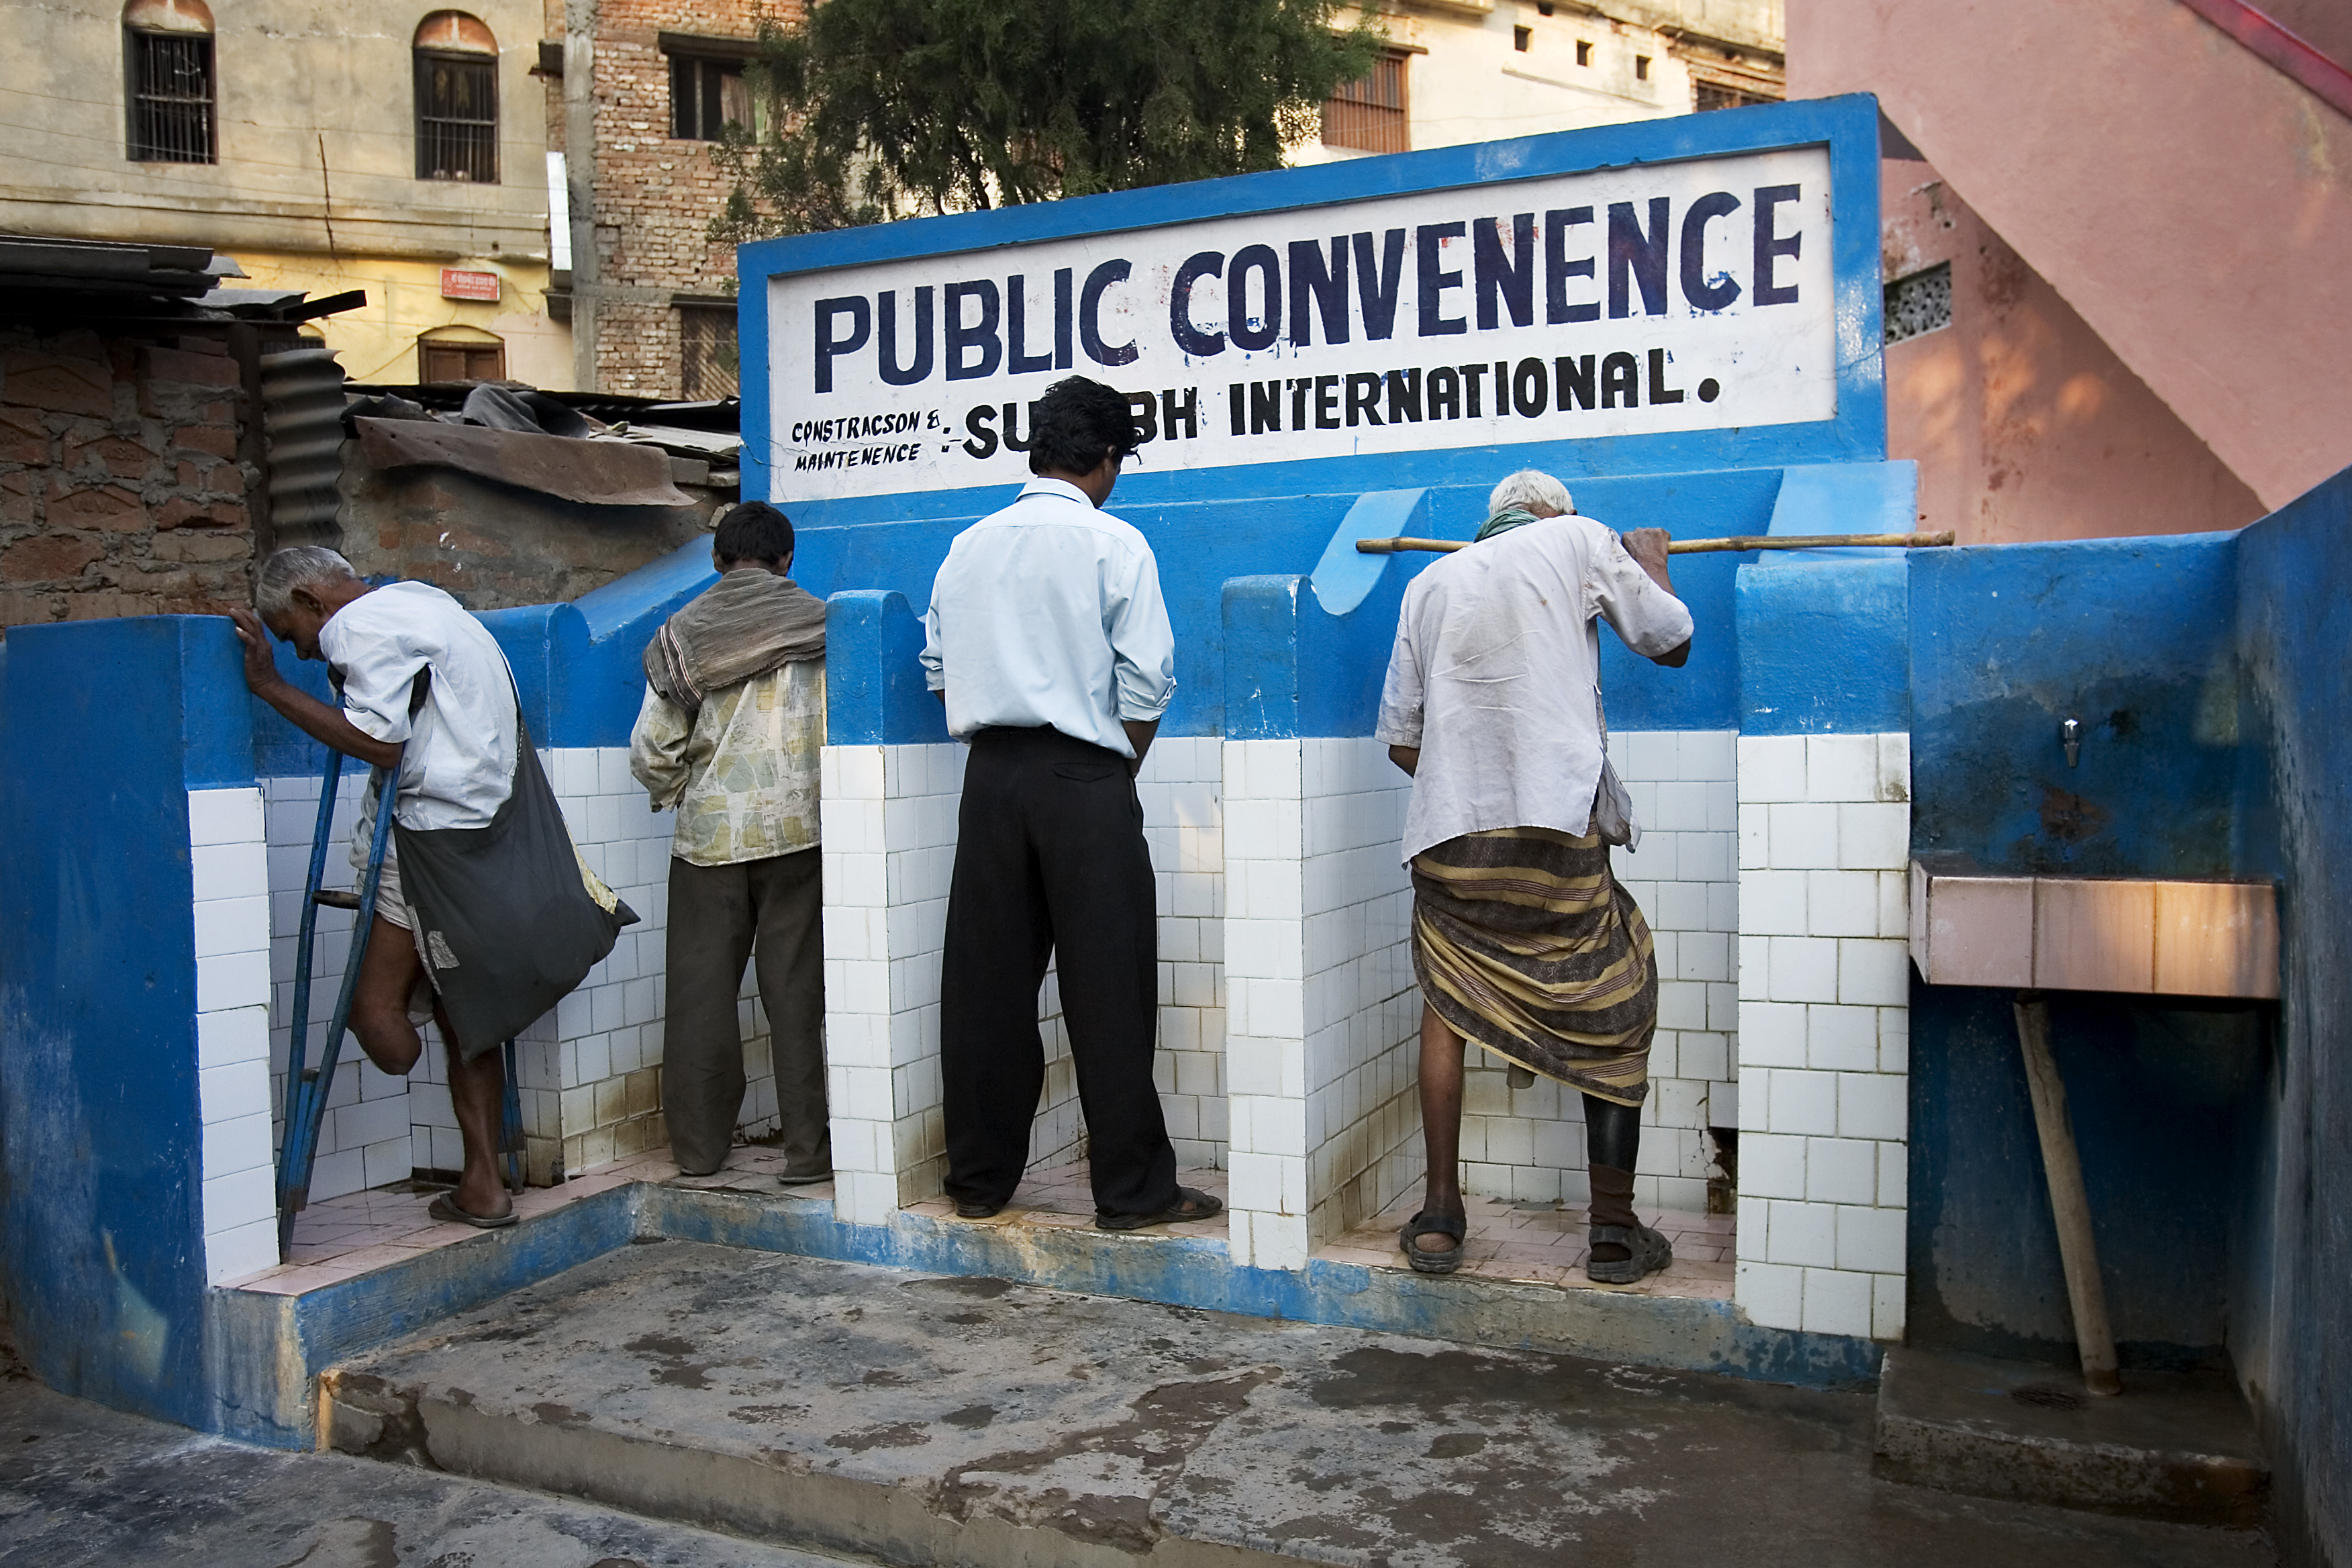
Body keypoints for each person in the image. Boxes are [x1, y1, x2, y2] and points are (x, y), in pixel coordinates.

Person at [1374, 469, 1695, 1281]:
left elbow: (1402, 742)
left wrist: (1474, 787)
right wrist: (1651, 561)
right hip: (1554, 824)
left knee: (1447, 996)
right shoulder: (1580, 538)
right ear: (1556, 512)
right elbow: (1671, 642)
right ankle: (1614, 1231)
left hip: (1447, 833)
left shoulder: (1428, 580)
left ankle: (1440, 1216)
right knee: (1615, 993)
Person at [920, 375, 1220, 1232]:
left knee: (985, 987)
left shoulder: (967, 546)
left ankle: (978, 1178)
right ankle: (1131, 1190)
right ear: (1105, 458)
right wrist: (1114, 769)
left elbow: (937, 668)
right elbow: (1148, 678)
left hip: (991, 778)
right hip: (1086, 777)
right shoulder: (1115, 544)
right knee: (1110, 987)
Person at [232, 548, 527, 1227]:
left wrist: (272, 687)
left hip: (424, 839)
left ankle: (475, 1174)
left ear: (311, 602)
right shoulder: (426, 604)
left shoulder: (355, 624)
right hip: (483, 833)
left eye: (291, 631)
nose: (303, 650)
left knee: (377, 1020)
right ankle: (484, 1185)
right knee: (463, 1019)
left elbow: (378, 741)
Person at [630, 501, 831, 1185]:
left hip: (709, 840)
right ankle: (807, 1153)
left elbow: (653, 748)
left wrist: (684, 790)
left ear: (718, 561)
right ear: (785, 561)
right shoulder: (824, 624)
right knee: (796, 994)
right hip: (800, 834)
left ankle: (699, 1150)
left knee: (700, 998)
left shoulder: (684, 633)